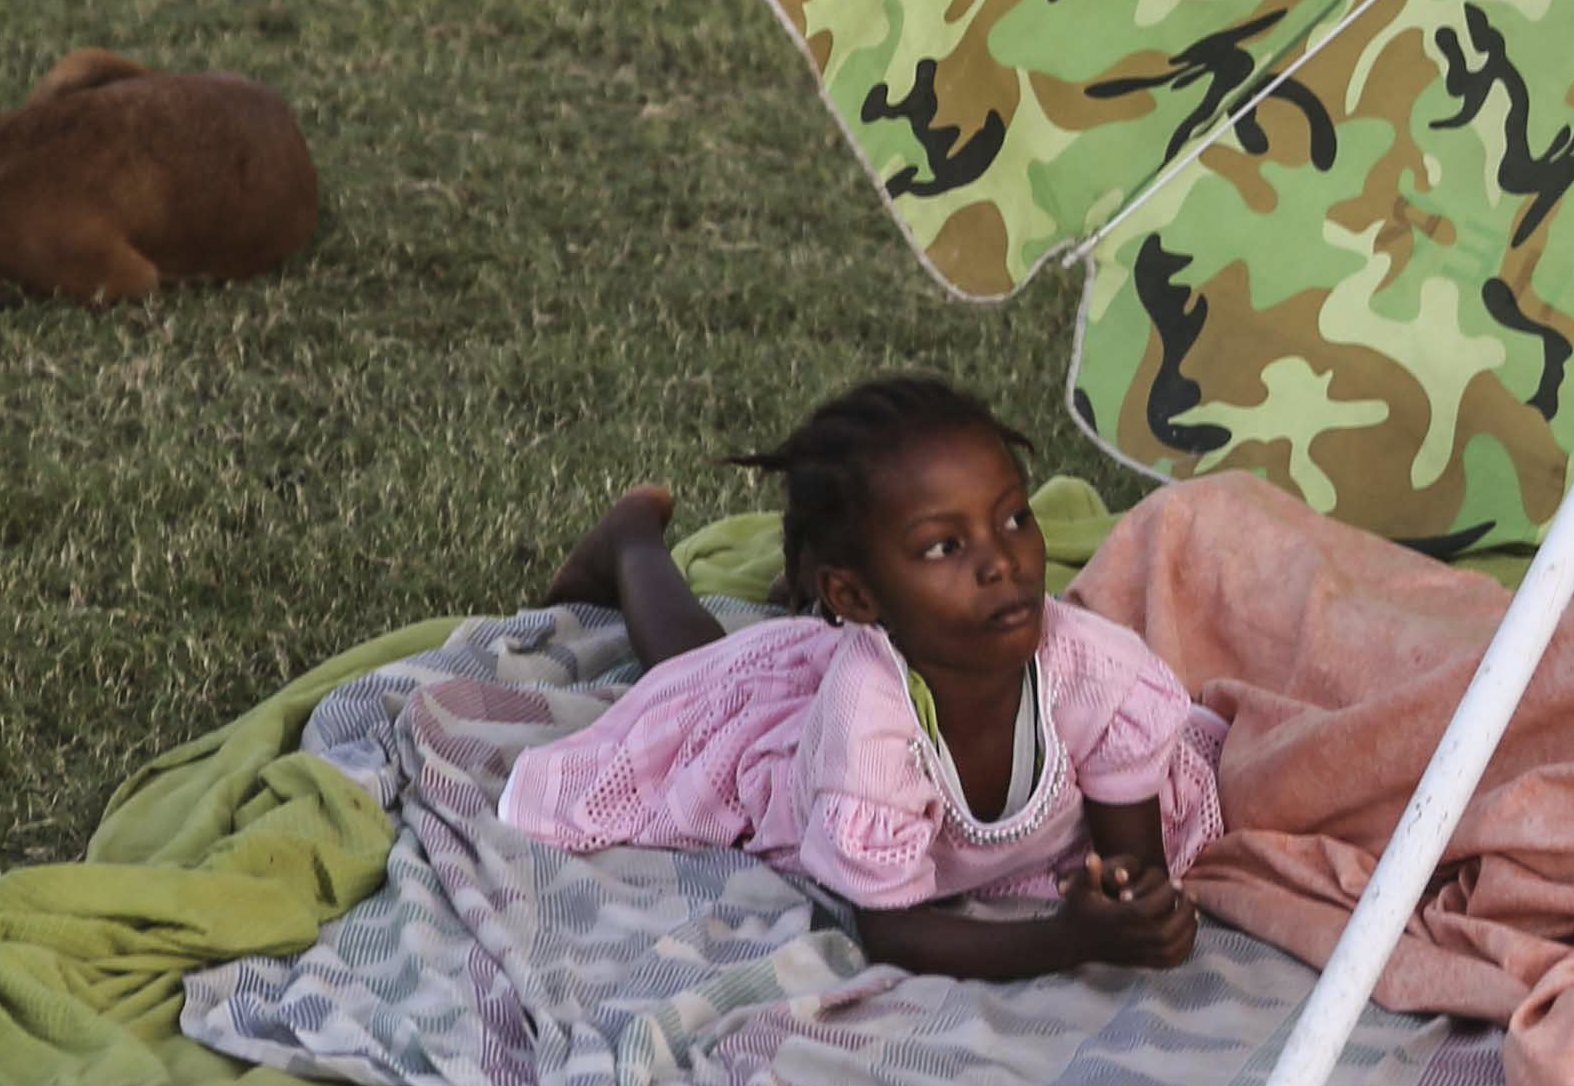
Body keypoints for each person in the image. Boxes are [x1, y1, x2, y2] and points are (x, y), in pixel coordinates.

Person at [509, 376, 1220, 980]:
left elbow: (1133, 861)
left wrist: (1135, 906)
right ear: (857, 597)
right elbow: (894, 933)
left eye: (1014, 516)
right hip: (798, 772)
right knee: (700, 692)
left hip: (895, 669)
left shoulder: (1099, 672)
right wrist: (1070, 942)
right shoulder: (869, 722)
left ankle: (782, 585)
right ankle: (630, 543)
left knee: (724, 676)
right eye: (945, 545)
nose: (1004, 561)